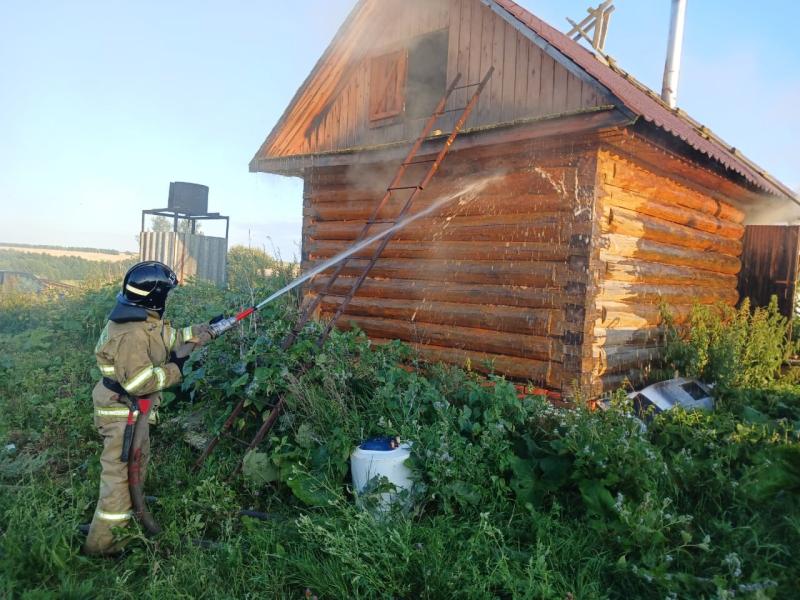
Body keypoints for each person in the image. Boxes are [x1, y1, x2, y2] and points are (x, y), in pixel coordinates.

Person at [83, 261, 213, 556]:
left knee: (134, 470)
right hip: (121, 414)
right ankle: (103, 546)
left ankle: (128, 520)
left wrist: (199, 331)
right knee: (119, 478)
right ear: (156, 296)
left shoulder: (142, 319)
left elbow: (164, 338)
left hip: (131, 413)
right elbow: (141, 383)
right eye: (166, 294)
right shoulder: (130, 333)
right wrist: (175, 367)